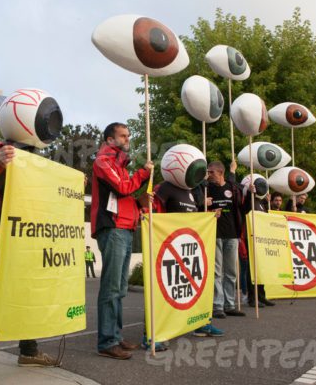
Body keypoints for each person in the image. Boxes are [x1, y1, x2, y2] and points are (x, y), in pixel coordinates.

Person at [0, 142, 60, 385]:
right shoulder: (2, 150)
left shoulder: (37, 155)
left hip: (38, 234)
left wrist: (69, 185)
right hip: (16, 234)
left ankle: (29, 351)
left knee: (31, 293)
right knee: (0, 298)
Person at [91, 122, 152, 360]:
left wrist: (141, 203)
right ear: (109, 140)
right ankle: (107, 341)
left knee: (119, 288)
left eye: (128, 135)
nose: (128, 139)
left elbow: (125, 196)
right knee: (112, 287)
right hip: (113, 228)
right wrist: (143, 174)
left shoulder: (120, 165)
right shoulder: (103, 162)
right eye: (123, 136)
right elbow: (123, 187)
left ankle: (114, 337)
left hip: (125, 228)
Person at [151, 178, 224, 340]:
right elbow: (153, 210)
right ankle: (154, 333)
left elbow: (193, 217)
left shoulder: (190, 190)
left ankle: (200, 323)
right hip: (170, 247)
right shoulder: (165, 187)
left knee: (195, 286)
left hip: (190, 247)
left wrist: (208, 216)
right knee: (166, 288)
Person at [207, 160, 247, 318]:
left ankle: (229, 304)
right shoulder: (206, 188)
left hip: (232, 234)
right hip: (214, 234)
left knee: (231, 272)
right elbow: (198, 204)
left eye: (211, 172)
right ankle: (217, 306)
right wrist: (208, 209)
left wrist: (249, 191)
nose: (208, 175)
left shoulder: (232, 187)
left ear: (220, 173)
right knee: (217, 272)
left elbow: (237, 187)